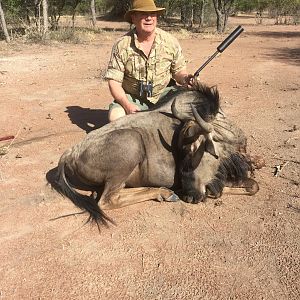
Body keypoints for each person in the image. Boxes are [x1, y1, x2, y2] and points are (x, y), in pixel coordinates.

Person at [105, 0, 194, 122]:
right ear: (133, 17)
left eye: (152, 14)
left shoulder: (170, 41)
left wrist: (186, 78)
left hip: (165, 95)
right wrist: (127, 105)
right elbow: (114, 82)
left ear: (156, 17)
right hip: (133, 98)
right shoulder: (121, 45)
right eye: (143, 14)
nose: (149, 18)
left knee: (193, 109)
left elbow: (179, 72)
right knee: (115, 117)